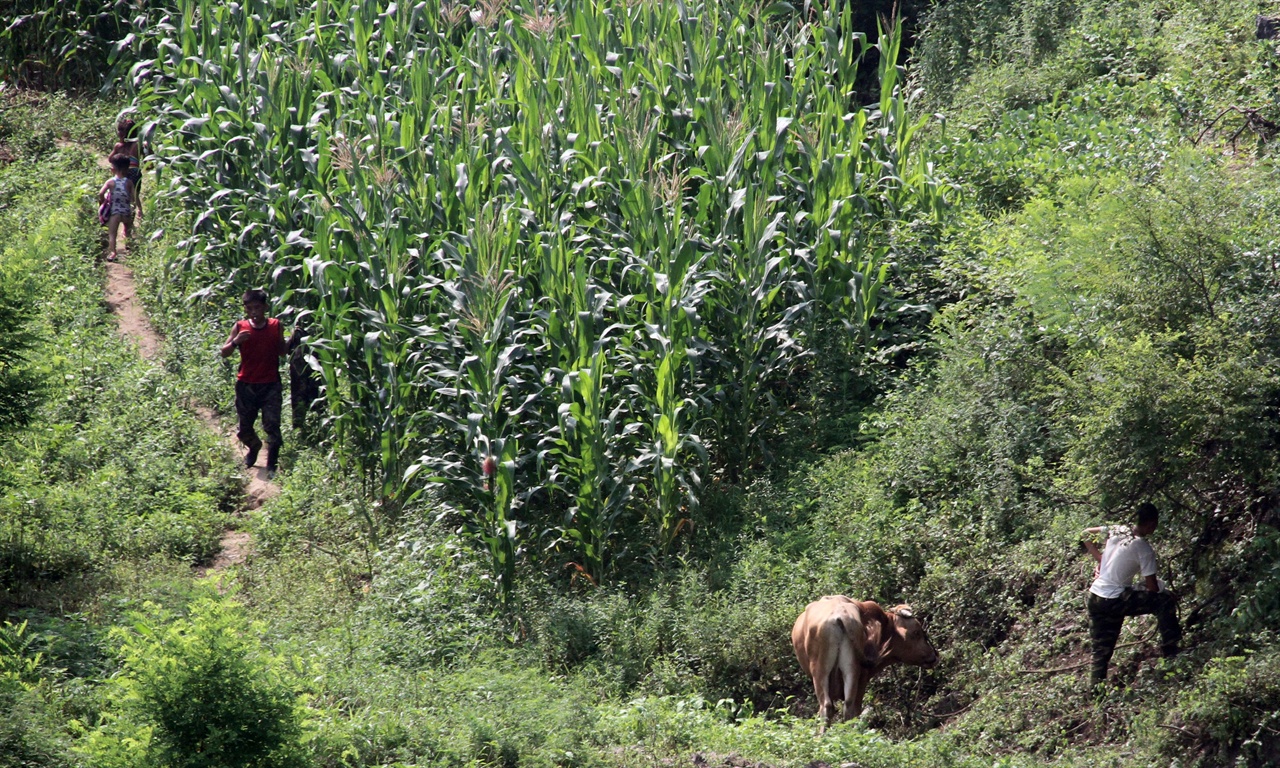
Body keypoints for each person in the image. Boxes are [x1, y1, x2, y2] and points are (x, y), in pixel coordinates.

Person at [1081, 502, 1181, 688]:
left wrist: (1102, 561)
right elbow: (1152, 587)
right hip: (1115, 598)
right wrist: (1165, 590)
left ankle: (1096, 694)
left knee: (1100, 651)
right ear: (1152, 524)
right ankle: (1172, 652)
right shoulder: (1143, 548)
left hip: (1095, 596)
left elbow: (1085, 533)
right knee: (1164, 600)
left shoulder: (1119, 529)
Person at [220, 289, 297, 477]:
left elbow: (281, 351)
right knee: (245, 429)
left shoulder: (275, 326)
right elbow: (224, 352)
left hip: (270, 384)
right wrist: (236, 342)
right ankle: (254, 447)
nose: (254, 311)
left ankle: (271, 465)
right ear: (245, 309)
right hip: (246, 385)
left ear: (265, 307)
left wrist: (293, 337)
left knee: (272, 426)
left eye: (257, 307)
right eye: (250, 308)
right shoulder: (240, 327)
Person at [97, 154, 138, 262]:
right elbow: (134, 198)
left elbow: (101, 193)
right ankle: (130, 250)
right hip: (126, 212)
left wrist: (103, 202)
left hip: (114, 213)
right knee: (128, 231)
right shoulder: (129, 182)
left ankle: (113, 253)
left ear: (113, 168)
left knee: (112, 234)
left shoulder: (110, 182)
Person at [111, 118, 144, 210]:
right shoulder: (138, 145)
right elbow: (148, 157)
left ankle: (120, 212)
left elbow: (110, 159)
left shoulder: (118, 146)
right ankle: (134, 214)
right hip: (134, 172)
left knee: (122, 193)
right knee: (133, 194)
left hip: (121, 172)